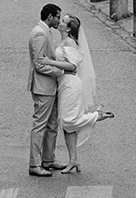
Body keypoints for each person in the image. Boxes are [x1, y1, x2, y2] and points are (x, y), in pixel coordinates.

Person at [47, 13, 114, 174]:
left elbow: (72, 65)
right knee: (67, 127)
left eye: (63, 21)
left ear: (69, 28)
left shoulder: (70, 41)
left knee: (68, 120)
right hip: (63, 84)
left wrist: (49, 62)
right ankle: (73, 160)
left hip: (71, 84)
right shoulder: (62, 40)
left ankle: (97, 115)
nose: (60, 22)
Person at [27, 3, 76, 177]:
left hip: (50, 85)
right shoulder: (40, 33)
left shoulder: (46, 31)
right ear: (49, 17)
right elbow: (40, 63)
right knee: (40, 124)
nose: (58, 20)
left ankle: (48, 159)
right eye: (57, 17)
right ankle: (34, 164)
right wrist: (61, 71)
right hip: (43, 86)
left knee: (52, 123)